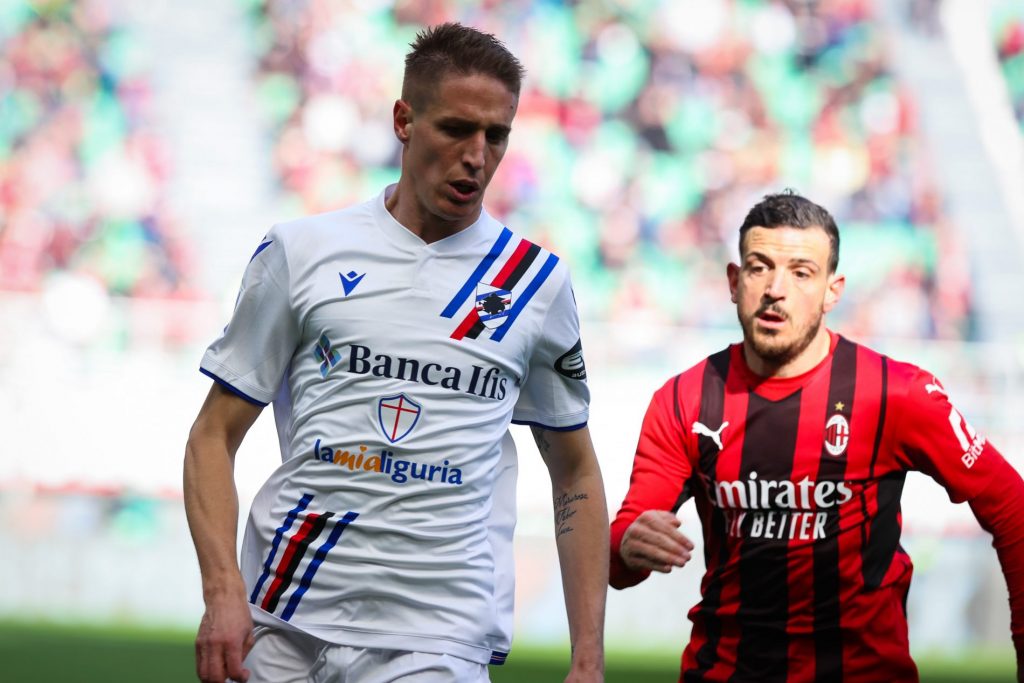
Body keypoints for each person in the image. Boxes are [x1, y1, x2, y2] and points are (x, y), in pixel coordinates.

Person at [184, 23, 607, 683]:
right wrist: (221, 590)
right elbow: (212, 435)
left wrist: (587, 658)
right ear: (404, 121)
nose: (477, 155)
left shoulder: (532, 283)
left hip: (437, 638)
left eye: (496, 135)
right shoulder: (302, 251)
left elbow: (575, 471)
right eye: (456, 129)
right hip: (283, 615)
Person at [609, 191, 1024, 682]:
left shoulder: (897, 393)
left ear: (832, 291)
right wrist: (627, 546)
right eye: (759, 268)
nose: (775, 289)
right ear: (734, 281)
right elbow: (620, 555)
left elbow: (1010, 506)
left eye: (801, 273)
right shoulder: (684, 400)